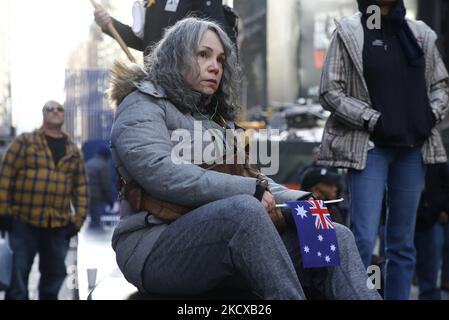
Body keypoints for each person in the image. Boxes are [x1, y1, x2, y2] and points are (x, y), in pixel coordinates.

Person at [108, 17, 381, 300]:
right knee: (244, 210)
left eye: (221, 59)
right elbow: (160, 173)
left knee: (330, 231)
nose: (215, 66)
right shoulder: (141, 104)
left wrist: (300, 199)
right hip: (153, 249)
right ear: (176, 56)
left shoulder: (213, 119)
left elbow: (251, 179)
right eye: (203, 55)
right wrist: (250, 191)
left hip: (218, 247)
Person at [317, 0, 449, 300]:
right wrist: (372, 119)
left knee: (402, 244)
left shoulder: (419, 34)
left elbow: (441, 85)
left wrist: (430, 115)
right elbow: (329, 90)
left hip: (412, 149)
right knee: (362, 239)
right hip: (371, 147)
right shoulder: (350, 31)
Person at [0, 101, 88, 300]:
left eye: (59, 109)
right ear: (43, 115)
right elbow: (6, 175)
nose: (55, 111)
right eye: (50, 109)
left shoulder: (73, 150)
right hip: (23, 222)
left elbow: (81, 188)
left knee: (54, 277)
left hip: (58, 225)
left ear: (63, 116)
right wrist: (3, 211)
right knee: (17, 279)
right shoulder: (24, 142)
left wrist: (78, 220)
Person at [94, 0, 239, 57]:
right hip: (156, 86)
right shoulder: (154, 2)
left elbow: (219, 40)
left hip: (189, 92)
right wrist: (109, 23)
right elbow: (148, 42)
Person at [414, 163, 449, 300]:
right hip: (406, 217)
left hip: (431, 217)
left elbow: (447, 186)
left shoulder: (438, 162)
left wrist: (445, 209)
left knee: (431, 265)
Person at [85, 143, 114, 229]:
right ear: (106, 156)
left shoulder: (88, 163)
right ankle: (94, 237)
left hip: (86, 195)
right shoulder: (103, 166)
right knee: (96, 221)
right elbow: (106, 185)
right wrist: (110, 200)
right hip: (96, 197)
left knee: (91, 218)